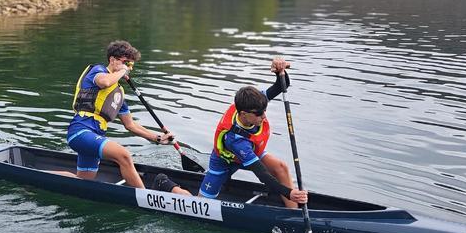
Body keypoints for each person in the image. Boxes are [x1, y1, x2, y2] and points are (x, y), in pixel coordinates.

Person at [67, 40, 191, 193]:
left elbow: (131, 125)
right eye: (126, 63)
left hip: (95, 135)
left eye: (131, 65)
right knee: (124, 155)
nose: (128, 68)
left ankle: (38, 175)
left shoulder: (118, 94)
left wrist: (158, 138)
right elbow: (104, 82)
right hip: (80, 132)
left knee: (83, 181)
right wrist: (121, 72)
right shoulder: (98, 71)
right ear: (112, 59)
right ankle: (146, 197)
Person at [197, 58, 308, 208]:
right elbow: (262, 175)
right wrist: (289, 192)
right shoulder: (236, 140)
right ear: (243, 114)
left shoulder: (255, 102)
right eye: (259, 114)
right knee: (201, 204)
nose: (263, 116)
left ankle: (293, 215)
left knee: (281, 167)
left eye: (265, 111)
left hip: (252, 150)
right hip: (224, 162)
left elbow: (282, 85)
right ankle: (170, 187)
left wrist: (279, 71)